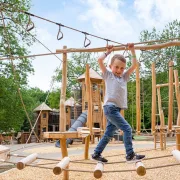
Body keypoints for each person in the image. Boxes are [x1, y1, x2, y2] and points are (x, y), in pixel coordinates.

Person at [91, 44, 145, 163]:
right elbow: (100, 60)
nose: (119, 70)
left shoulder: (124, 77)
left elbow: (135, 65)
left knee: (109, 134)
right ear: (110, 66)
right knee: (127, 129)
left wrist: (132, 51)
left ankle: (96, 153)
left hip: (117, 109)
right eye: (116, 67)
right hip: (110, 108)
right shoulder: (108, 75)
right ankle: (130, 154)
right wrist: (108, 52)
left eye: (122, 68)